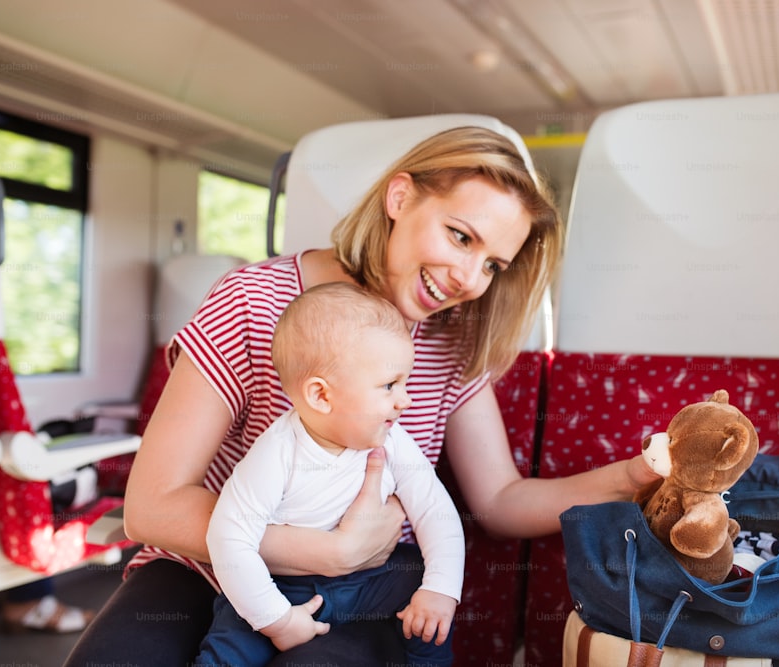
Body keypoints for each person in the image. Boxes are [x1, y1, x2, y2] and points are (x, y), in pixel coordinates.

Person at [64, 125, 660, 667]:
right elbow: (151, 508)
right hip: (204, 565)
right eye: (459, 237)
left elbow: (501, 501)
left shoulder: (456, 341)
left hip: (369, 585)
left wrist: (634, 477)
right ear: (399, 198)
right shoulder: (253, 300)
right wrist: (327, 551)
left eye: (492, 265)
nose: (469, 279)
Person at [194, 282, 464, 666]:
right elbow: (229, 538)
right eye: (389, 385)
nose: (405, 400)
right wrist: (279, 620)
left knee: (416, 572)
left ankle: (427, 663)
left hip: (369, 580)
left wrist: (439, 588)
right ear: (322, 396)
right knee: (232, 640)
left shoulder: (395, 441)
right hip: (284, 585)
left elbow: (435, 510)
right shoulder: (277, 453)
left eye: (405, 382)